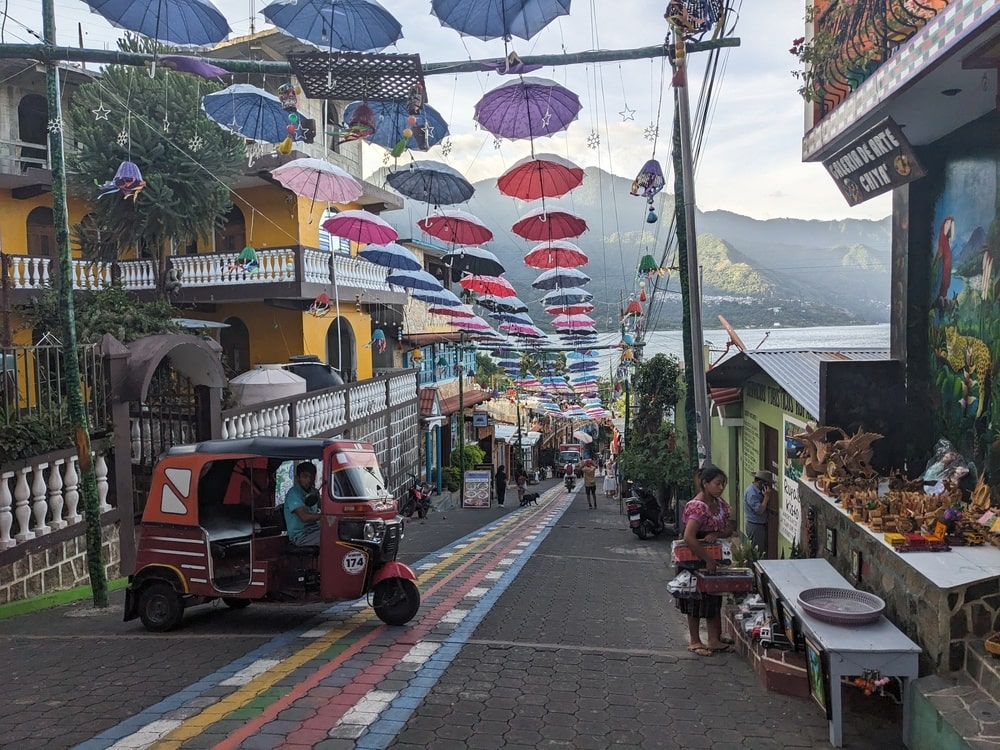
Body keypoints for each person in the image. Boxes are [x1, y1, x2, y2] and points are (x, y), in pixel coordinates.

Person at [677, 465, 734, 656]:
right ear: (705, 483)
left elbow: (728, 530)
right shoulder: (697, 506)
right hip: (694, 559)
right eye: (717, 483)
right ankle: (695, 641)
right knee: (694, 598)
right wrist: (708, 559)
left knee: (712, 598)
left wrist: (716, 533)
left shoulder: (720, 504)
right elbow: (689, 537)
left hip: (711, 559)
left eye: (723, 484)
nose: (721, 487)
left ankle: (713, 639)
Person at [284, 461, 322, 547]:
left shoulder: (314, 492)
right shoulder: (293, 493)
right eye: (305, 476)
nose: (309, 480)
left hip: (315, 530)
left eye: (311, 476)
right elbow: (304, 517)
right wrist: (325, 516)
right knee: (330, 538)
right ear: (298, 477)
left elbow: (325, 506)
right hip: (301, 536)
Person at [743, 469, 776, 555]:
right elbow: (760, 511)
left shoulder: (757, 491)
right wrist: (766, 497)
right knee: (757, 552)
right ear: (761, 483)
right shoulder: (752, 493)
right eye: (767, 484)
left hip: (759, 524)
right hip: (755, 526)